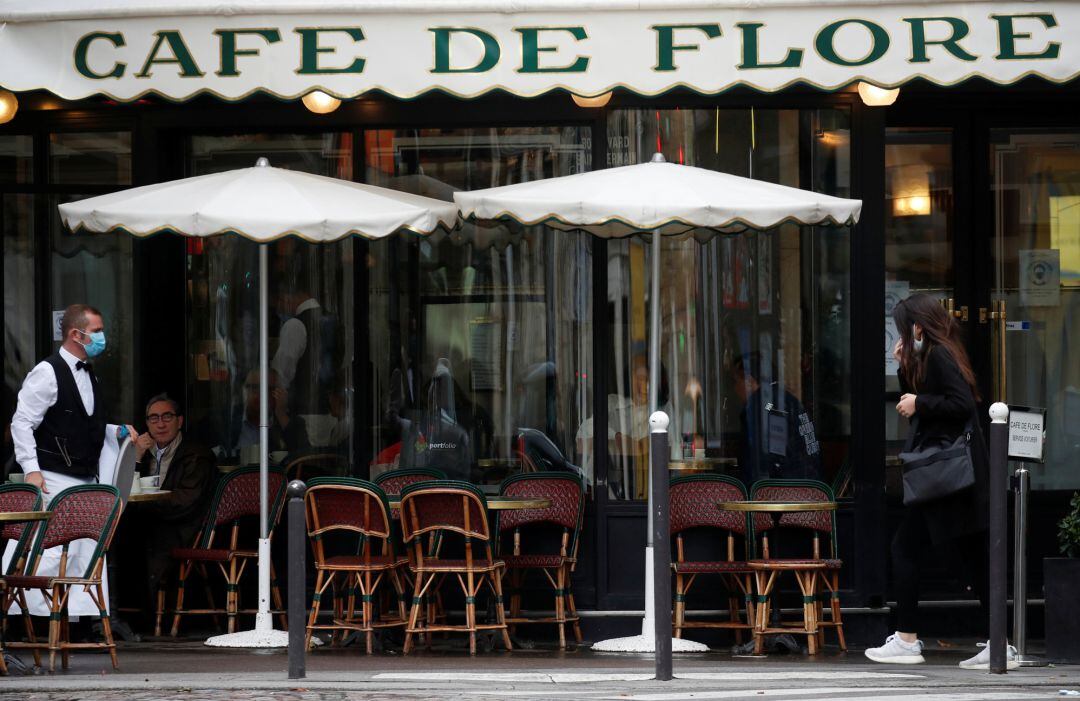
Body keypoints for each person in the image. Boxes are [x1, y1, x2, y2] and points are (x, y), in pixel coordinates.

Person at [865, 293, 1014, 669]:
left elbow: (961, 403)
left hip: (947, 475)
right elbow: (931, 396)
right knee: (972, 559)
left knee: (906, 548)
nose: (901, 335)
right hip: (954, 476)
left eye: (903, 328)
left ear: (917, 326)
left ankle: (907, 639)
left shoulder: (940, 355)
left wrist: (920, 404)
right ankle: (1001, 644)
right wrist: (904, 368)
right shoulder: (936, 353)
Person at [6, 303, 131, 617]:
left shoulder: (91, 375)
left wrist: (117, 433)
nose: (103, 337)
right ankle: (30, 614)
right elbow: (21, 422)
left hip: (86, 476)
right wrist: (31, 470)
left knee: (84, 545)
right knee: (48, 548)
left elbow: (84, 422)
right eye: (98, 331)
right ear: (77, 334)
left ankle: (77, 616)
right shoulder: (47, 372)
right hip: (54, 474)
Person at [131, 393, 216, 606]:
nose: (160, 424)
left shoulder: (196, 454)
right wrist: (136, 458)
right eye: (154, 418)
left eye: (167, 417)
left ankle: (149, 613)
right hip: (149, 520)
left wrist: (147, 507)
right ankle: (121, 613)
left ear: (180, 421)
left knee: (142, 538)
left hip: (183, 527)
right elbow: (125, 488)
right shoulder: (144, 452)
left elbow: (187, 501)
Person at [732, 353, 821, 485]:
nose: (734, 388)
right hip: (810, 487)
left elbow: (760, 460)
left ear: (749, 382)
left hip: (781, 492)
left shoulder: (759, 406)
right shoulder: (788, 400)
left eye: (735, 381)